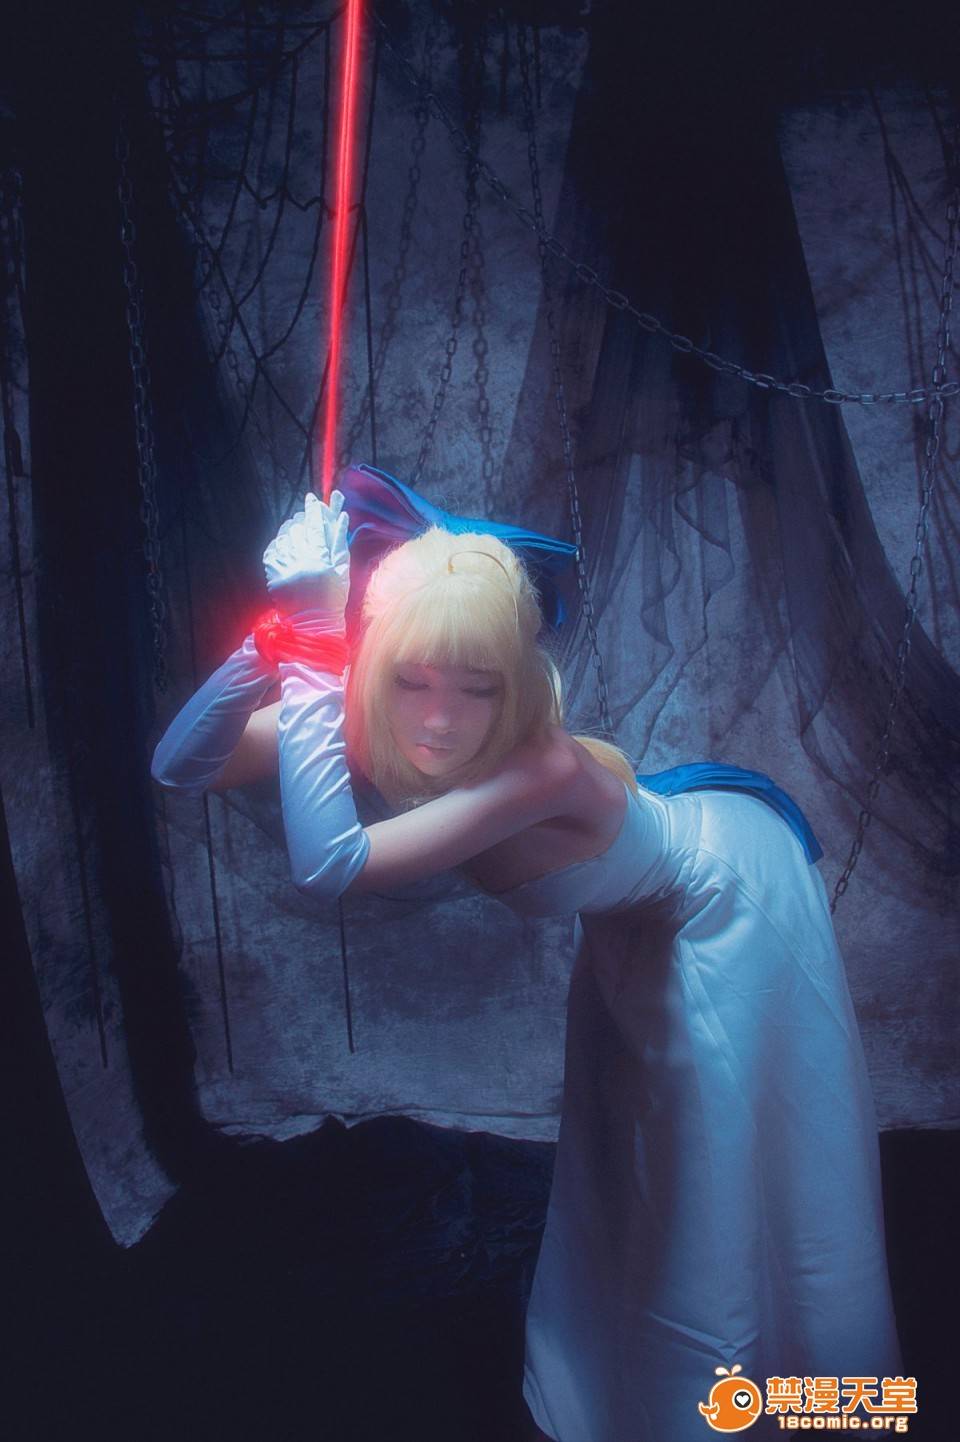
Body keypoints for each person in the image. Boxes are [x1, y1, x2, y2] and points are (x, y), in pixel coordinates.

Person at [152, 469, 902, 1442]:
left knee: (715, 1178)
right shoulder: (356, 711)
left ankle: (766, 1409)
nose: (439, 719)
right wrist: (275, 642)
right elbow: (182, 764)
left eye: (480, 687)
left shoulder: (539, 766)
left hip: (726, 897)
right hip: (635, 914)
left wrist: (313, 646)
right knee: (636, 1158)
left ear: (515, 682)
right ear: (377, 663)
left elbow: (332, 864)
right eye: (412, 678)